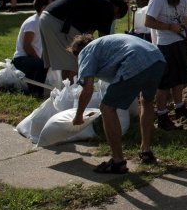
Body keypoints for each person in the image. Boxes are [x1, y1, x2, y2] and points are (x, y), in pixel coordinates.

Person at [71, 33, 167, 174]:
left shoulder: (86, 51)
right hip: (157, 58)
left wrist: (79, 115)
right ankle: (146, 151)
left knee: (107, 108)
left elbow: (88, 89)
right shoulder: (107, 43)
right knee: (146, 102)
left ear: (77, 52)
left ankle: (118, 162)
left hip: (135, 60)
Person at [144, 0, 187, 130]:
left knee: (179, 79)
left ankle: (180, 107)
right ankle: (162, 115)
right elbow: (148, 21)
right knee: (165, 83)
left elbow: (184, 21)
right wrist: (169, 26)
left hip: (180, 43)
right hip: (164, 45)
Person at [39, 0, 128, 81]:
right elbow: (104, 40)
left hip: (46, 16)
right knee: (76, 60)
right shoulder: (108, 8)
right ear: (117, 9)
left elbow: (88, 35)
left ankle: (65, 89)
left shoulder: (98, 4)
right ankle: (72, 90)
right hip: (59, 22)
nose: (113, 19)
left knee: (67, 62)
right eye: (116, 17)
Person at [12, 0, 52, 96]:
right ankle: (36, 93)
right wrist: (39, 60)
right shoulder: (33, 23)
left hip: (29, 58)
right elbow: (27, 47)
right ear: (43, 8)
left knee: (44, 64)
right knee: (42, 65)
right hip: (21, 59)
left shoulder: (41, 21)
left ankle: (34, 90)